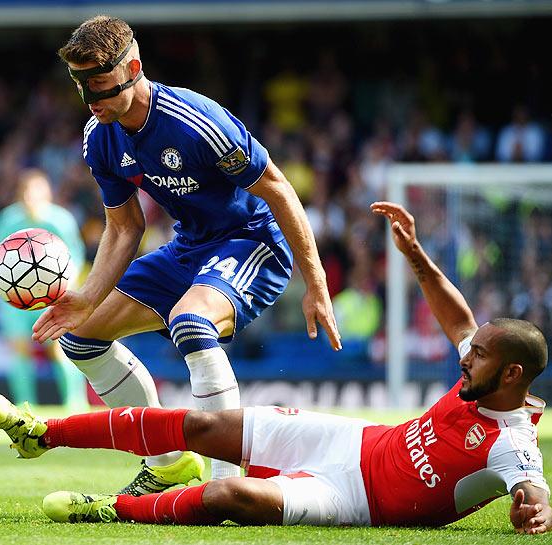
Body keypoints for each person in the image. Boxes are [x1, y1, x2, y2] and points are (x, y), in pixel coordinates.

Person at [0, 201, 552, 534]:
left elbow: (534, 491)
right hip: (357, 440)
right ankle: (42, 434)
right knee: (205, 429)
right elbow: (458, 319)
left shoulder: (512, 444)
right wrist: (415, 256)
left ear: (511, 376)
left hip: (358, 501)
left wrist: (536, 513)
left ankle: (113, 509)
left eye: (479, 356)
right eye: (472, 349)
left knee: (227, 497)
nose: (466, 356)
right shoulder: (480, 370)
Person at [31, 15, 341, 492]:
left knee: (190, 322)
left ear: (132, 66)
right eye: (82, 88)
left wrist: (316, 283)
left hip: (250, 240)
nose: (93, 101)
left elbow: (279, 191)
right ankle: (170, 464)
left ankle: (225, 485)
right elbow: (125, 226)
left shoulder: (196, 121)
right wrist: (88, 298)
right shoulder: (100, 136)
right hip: (190, 244)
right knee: (81, 337)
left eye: (101, 86)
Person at [0, 169, 88, 411]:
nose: (32, 198)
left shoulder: (60, 220)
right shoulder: (9, 219)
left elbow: (76, 255)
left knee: (59, 350)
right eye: (27, 193)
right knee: (20, 351)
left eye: (37, 192)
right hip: (16, 300)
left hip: (54, 297)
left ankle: (75, 403)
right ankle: (25, 406)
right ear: (21, 195)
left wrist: (69, 285)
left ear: (48, 194)